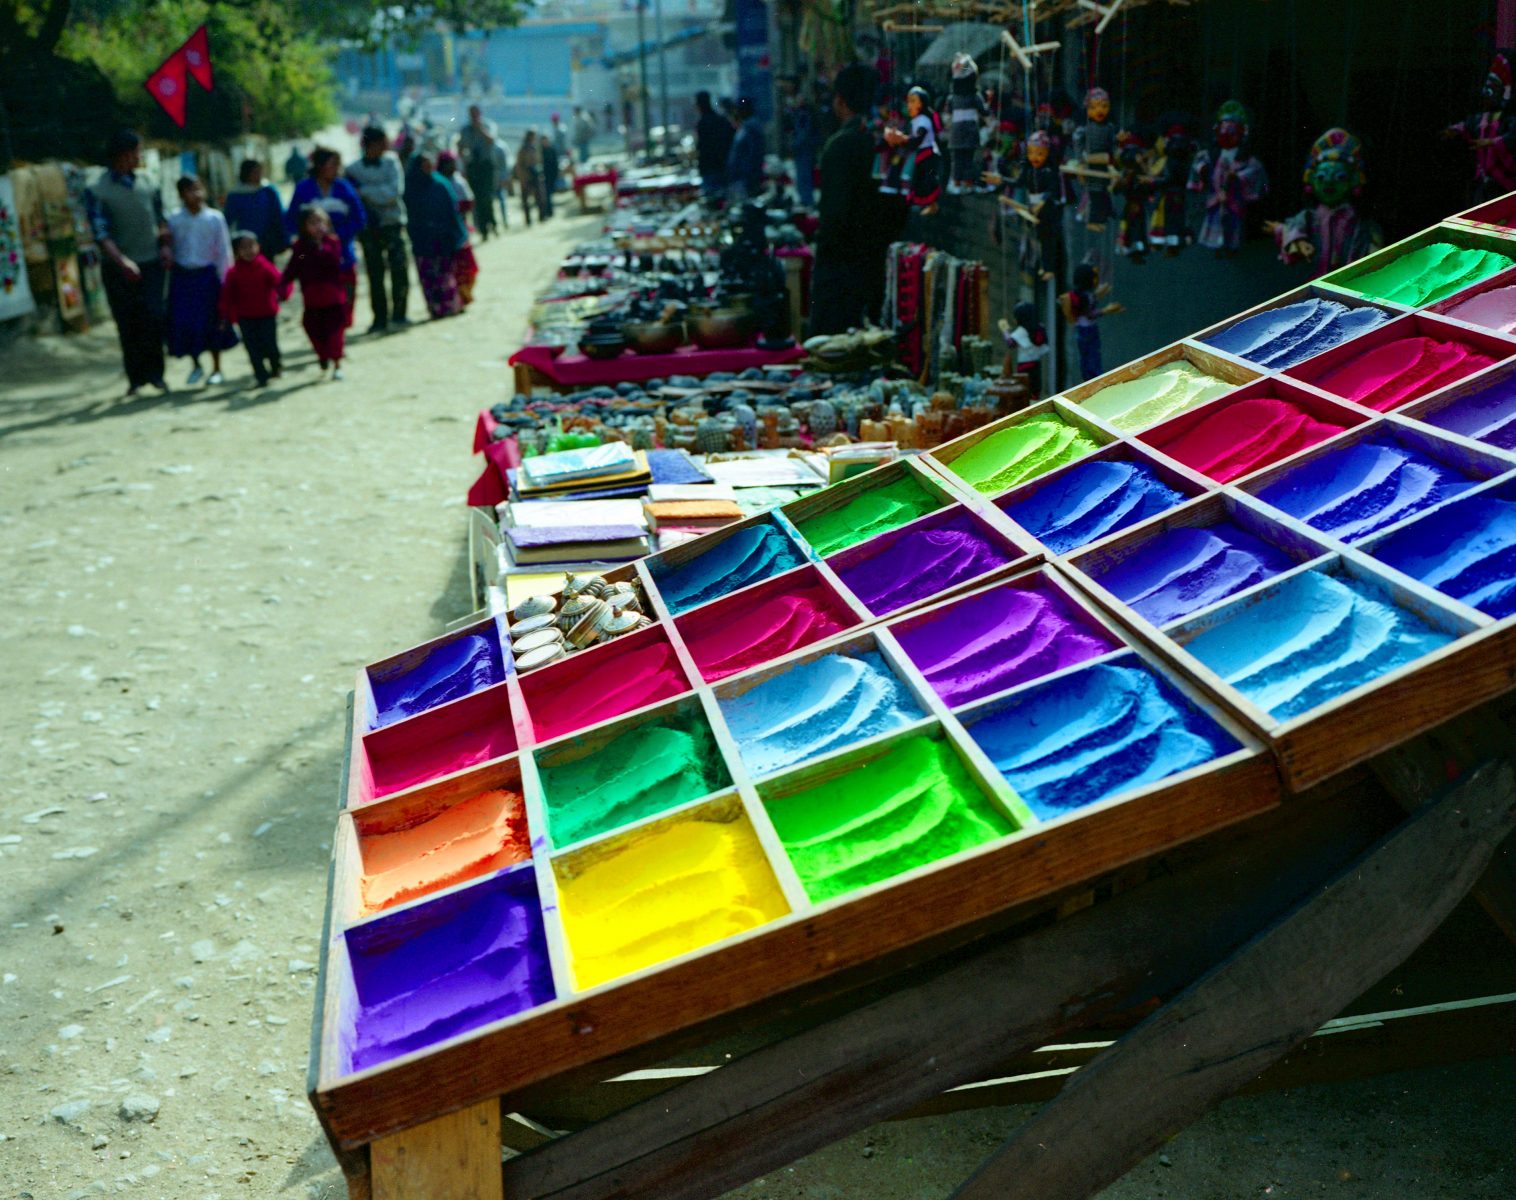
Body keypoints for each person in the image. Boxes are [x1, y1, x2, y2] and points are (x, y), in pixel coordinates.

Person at [809, 64, 892, 335]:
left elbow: (834, 217)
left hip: (842, 266)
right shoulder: (881, 139)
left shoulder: (841, 145)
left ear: (841, 101)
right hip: (877, 257)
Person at [86, 130, 169, 395]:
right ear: (122, 155)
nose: (138, 157)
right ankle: (136, 378)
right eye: (135, 152)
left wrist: (166, 246)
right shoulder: (98, 190)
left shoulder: (149, 182)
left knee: (153, 319)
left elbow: (161, 218)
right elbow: (101, 233)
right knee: (128, 322)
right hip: (119, 269)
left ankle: (156, 374)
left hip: (151, 263)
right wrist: (122, 261)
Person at [165, 176, 236, 386]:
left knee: (212, 322)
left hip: (207, 276)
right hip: (184, 277)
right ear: (181, 195)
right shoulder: (174, 220)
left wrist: (226, 279)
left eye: (197, 189)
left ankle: (216, 367)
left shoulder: (214, 218)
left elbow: (224, 250)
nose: (194, 194)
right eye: (189, 191)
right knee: (186, 322)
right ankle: (195, 363)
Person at [287, 148, 366, 327]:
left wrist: (339, 235)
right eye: (332, 164)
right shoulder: (303, 188)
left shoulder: (344, 187)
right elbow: (291, 219)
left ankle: (340, 335)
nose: (336, 168)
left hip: (342, 251)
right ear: (320, 165)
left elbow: (360, 218)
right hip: (312, 255)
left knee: (346, 294)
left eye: (337, 164)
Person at [345, 126, 410, 333]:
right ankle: (379, 318)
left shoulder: (391, 162)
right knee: (375, 273)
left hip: (392, 223)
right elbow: (353, 198)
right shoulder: (353, 169)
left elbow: (393, 193)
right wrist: (375, 193)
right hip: (369, 228)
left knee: (399, 269)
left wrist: (364, 191)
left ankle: (399, 313)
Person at [282, 206, 350, 379]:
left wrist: (320, 248)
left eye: (321, 221)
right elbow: (295, 265)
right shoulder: (301, 249)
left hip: (334, 298)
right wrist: (282, 286)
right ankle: (323, 356)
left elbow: (335, 262)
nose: (318, 226)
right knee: (314, 331)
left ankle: (337, 364)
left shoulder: (333, 243)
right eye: (313, 223)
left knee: (335, 334)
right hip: (313, 300)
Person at [218, 230, 291, 386]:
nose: (249, 250)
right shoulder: (233, 273)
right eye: (243, 247)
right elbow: (227, 297)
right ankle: (261, 375)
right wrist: (225, 316)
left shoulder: (265, 266)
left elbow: (280, 282)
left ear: (258, 246)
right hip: (246, 317)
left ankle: (276, 367)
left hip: (267, 313)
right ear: (237, 251)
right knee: (252, 348)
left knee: (270, 343)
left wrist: (284, 294)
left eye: (251, 246)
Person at [405, 151, 468, 319]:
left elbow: (452, 211)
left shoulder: (441, 184)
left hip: (443, 237)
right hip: (422, 239)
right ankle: (435, 309)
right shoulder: (410, 186)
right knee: (428, 276)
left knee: (445, 274)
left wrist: (456, 235)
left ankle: (451, 306)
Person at [436, 152, 480, 306]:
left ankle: (466, 295)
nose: (453, 167)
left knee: (467, 265)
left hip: (460, 228)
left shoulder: (459, 181)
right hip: (443, 231)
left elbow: (469, 201)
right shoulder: (437, 183)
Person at [222, 160, 287, 263]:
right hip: (246, 243)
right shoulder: (236, 195)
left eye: (260, 171)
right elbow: (227, 220)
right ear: (246, 174)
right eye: (255, 172)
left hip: (267, 241)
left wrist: (283, 239)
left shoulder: (268, 191)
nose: (259, 175)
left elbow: (279, 216)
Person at [457, 105, 500, 239]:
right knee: (477, 199)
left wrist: (479, 129)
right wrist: (463, 163)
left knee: (487, 197)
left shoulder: (488, 125)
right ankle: (483, 229)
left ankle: (492, 223)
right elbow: (461, 146)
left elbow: (491, 140)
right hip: (473, 167)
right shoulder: (465, 129)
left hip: (486, 166)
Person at [726, 97, 766, 201]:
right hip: (743, 175)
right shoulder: (746, 127)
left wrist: (746, 172)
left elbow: (753, 154)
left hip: (746, 176)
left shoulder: (751, 127)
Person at [695, 91, 733, 196]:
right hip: (723, 168)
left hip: (709, 169)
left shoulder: (702, 123)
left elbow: (702, 148)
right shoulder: (721, 120)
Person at [513, 131, 543, 226]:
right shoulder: (523, 149)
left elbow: (537, 161)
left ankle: (541, 216)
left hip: (534, 174)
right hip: (526, 175)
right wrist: (522, 178)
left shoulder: (534, 147)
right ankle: (528, 220)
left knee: (539, 196)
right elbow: (519, 165)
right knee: (525, 199)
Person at [539, 136, 560, 219]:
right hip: (544, 176)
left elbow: (555, 163)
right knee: (546, 195)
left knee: (549, 194)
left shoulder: (552, 150)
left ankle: (550, 211)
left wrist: (556, 175)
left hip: (551, 175)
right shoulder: (540, 151)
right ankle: (548, 211)